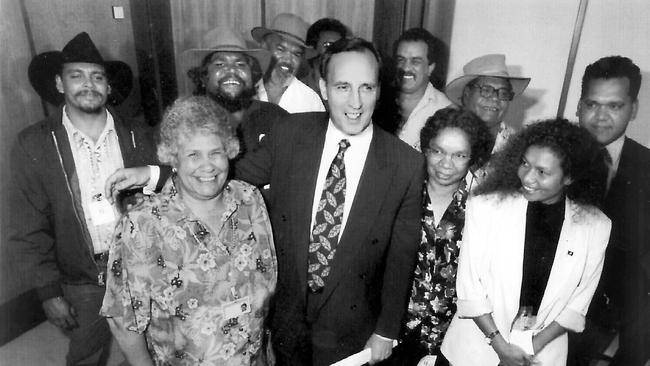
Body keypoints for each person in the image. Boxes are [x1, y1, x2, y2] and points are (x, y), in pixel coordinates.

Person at [8, 32, 160, 365]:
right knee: (86, 355)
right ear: (60, 85)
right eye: (76, 76)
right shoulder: (34, 144)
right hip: (81, 278)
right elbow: (26, 227)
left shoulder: (140, 134)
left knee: (152, 348)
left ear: (108, 87)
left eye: (97, 77)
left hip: (142, 269)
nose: (88, 84)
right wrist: (48, 292)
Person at [101, 96, 277, 365]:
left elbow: (266, 285)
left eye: (216, 152)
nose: (207, 166)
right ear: (173, 158)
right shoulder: (143, 223)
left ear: (229, 151)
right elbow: (123, 321)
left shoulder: (249, 199)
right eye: (193, 154)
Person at [441, 119, 611, 365]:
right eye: (524, 164)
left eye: (542, 172)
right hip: (474, 350)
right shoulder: (486, 206)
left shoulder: (596, 226)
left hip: (541, 355)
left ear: (569, 177)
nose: (528, 178)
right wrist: (501, 348)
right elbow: (470, 288)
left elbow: (578, 304)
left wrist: (528, 349)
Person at [388, 108, 492, 366]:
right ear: (425, 149)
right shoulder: (399, 193)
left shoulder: (482, 208)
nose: (446, 164)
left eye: (459, 155)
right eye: (438, 151)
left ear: (473, 158)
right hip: (392, 331)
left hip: (449, 340)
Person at [570, 56, 650, 366]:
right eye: (592, 104)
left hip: (619, 337)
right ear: (579, 105)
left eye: (614, 106)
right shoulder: (548, 159)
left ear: (634, 109)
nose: (601, 117)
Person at [183, 26, 289, 158]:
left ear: (252, 75)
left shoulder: (275, 118)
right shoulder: (186, 122)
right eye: (220, 64)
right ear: (203, 76)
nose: (232, 70)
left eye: (240, 64)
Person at [379, 28, 453, 151]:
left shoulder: (446, 112)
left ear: (430, 68)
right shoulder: (379, 101)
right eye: (401, 60)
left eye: (415, 61)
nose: (406, 67)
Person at [445, 54, 530, 152]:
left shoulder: (517, 148)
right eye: (486, 90)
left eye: (503, 93)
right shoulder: (444, 135)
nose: (495, 98)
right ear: (467, 94)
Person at [251, 13, 325, 113]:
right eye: (281, 49)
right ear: (265, 47)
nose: (288, 60)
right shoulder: (247, 91)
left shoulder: (310, 101)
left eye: (296, 54)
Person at [302, 17, 348, 94]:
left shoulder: (347, 90)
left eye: (340, 45)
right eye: (328, 45)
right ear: (312, 49)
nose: (335, 51)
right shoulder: (298, 90)